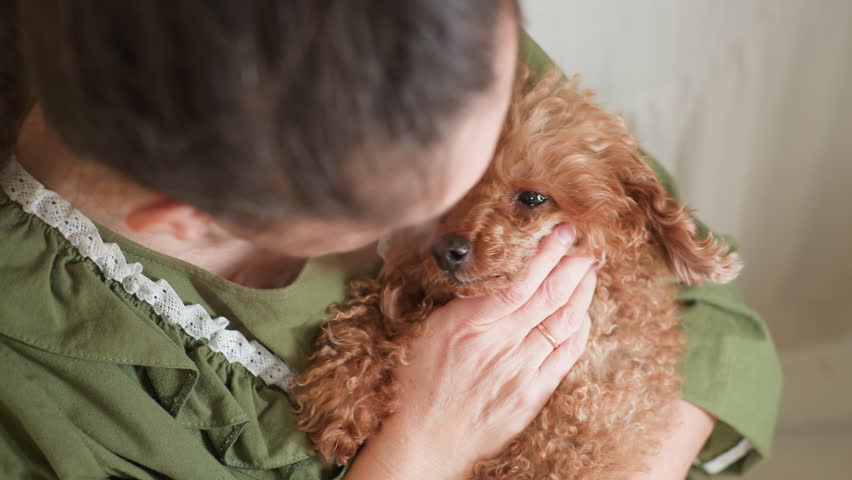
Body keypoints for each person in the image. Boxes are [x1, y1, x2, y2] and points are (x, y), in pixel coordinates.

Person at [0, 1, 781, 479]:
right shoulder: (42, 409)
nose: (463, 230)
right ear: (184, 216)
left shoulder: (430, 53)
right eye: (416, 208)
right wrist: (426, 450)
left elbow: (700, 297)